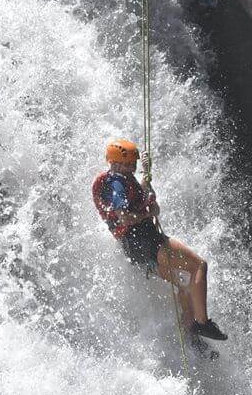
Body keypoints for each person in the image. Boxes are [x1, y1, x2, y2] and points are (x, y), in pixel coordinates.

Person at [92, 138, 227, 341]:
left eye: (133, 164)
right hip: (144, 240)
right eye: (129, 165)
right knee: (199, 266)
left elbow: (140, 198)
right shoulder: (117, 184)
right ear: (115, 163)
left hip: (135, 248)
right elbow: (125, 217)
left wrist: (146, 174)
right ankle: (202, 323)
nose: (132, 168)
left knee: (185, 282)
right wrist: (147, 214)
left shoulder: (121, 179)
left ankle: (190, 335)